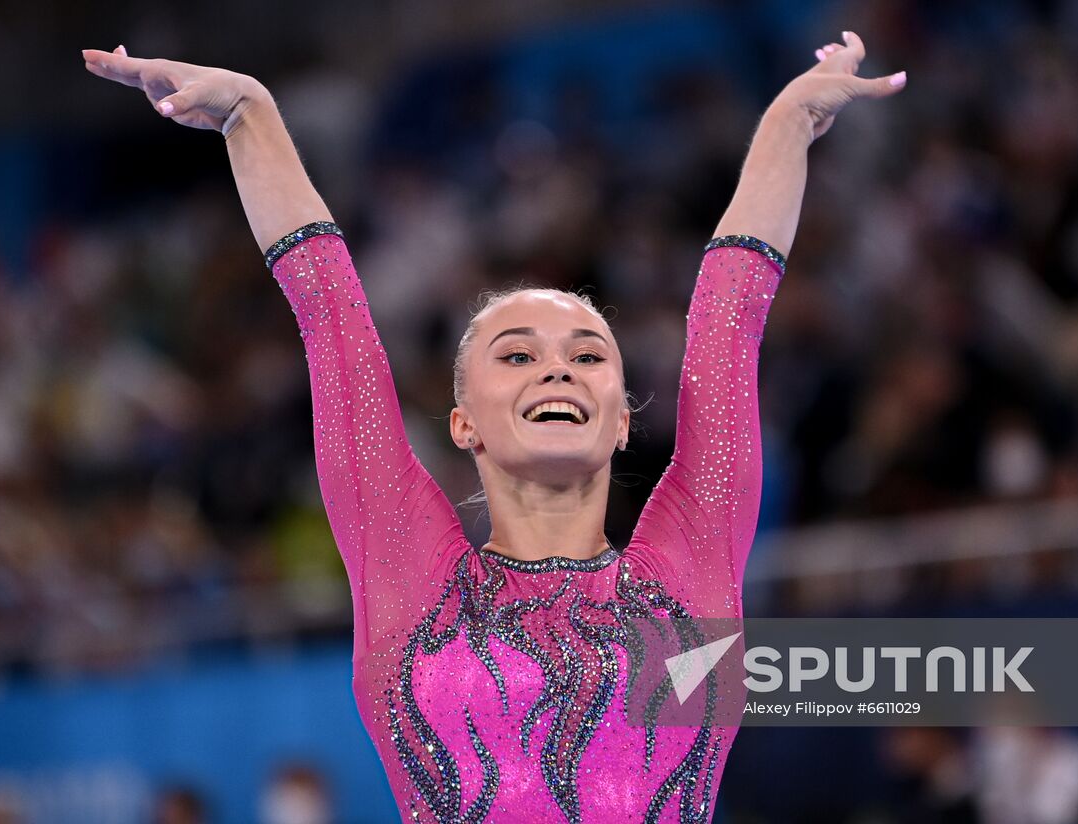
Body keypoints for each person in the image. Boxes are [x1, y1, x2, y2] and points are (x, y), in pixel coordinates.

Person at [82, 31, 904, 823]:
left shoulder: (687, 574)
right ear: (464, 424)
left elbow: (730, 322)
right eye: (517, 356)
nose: (557, 368)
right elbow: (331, 317)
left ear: (623, 420)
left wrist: (788, 123)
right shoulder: (414, 582)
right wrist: (248, 114)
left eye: (588, 356)